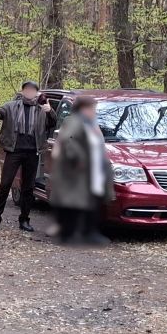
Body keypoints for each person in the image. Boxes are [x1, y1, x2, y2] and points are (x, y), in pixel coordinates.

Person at [0, 81, 54, 232]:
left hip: (32, 152)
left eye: (33, 90)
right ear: (22, 92)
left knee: (28, 188)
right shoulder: (11, 106)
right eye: (27, 90)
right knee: (5, 184)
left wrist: (49, 111)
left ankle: (24, 220)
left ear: (36, 93)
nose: (29, 92)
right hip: (14, 151)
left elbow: (52, 123)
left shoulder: (41, 109)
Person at [49, 95, 113, 245]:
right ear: (83, 109)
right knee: (72, 202)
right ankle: (67, 234)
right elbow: (68, 141)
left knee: (93, 200)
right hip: (77, 170)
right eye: (92, 108)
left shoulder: (92, 124)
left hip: (94, 169)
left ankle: (90, 233)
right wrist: (77, 158)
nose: (94, 111)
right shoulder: (73, 121)